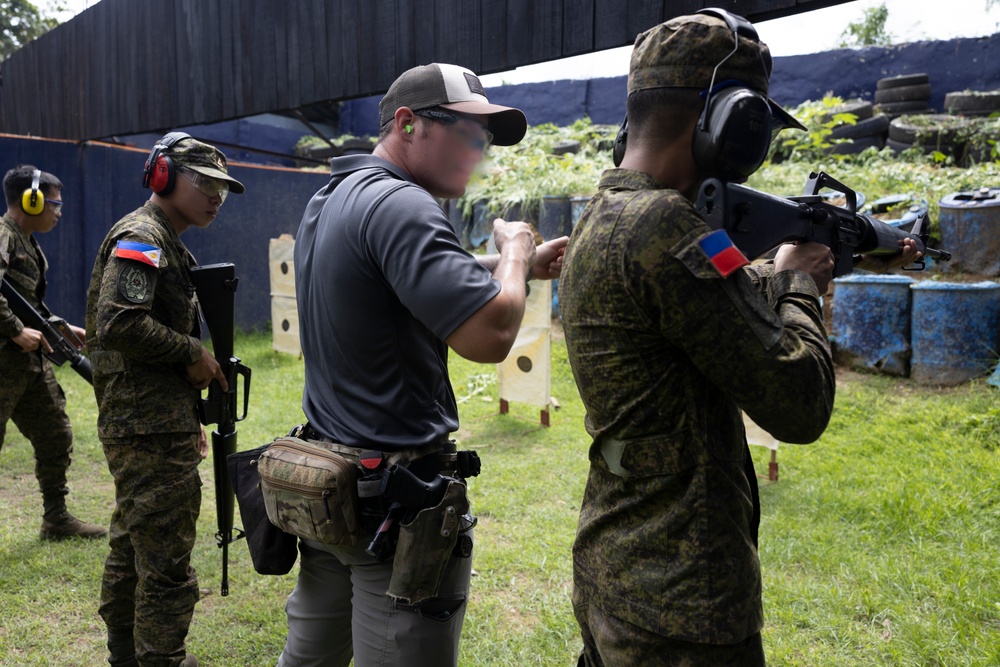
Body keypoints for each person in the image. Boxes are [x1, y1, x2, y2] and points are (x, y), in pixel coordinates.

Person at [558, 10, 920, 666]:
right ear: (731, 123)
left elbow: (698, 301)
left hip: (617, 571)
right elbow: (800, 403)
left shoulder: (604, 214)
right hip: (683, 607)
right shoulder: (668, 226)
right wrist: (802, 285)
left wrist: (775, 270)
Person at [277, 63, 567, 667]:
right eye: (465, 133)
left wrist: (516, 265)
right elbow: (489, 334)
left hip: (328, 485)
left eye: (482, 141)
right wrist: (512, 253)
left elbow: (400, 271)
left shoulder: (334, 196)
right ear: (408, 124)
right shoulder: (405, 205)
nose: (477, 151)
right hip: (392, 506)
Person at [86, 133, 244, 667]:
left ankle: (127, 655)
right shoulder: (144, 235)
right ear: (163, 176)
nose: (216, 196)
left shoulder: (166, 241)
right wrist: (192, 355)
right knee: (166, 559)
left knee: (136, 543)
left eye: (223, 187)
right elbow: (119, 322)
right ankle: (161, 660)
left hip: (153, 418)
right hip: (145, 424)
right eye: (205, 182)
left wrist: (185, 408)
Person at [0, 165, 107, 541]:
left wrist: (55, 324)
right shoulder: (4, 235)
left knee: (55, 435)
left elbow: (24, 300)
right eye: (54, 204)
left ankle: (56, 519)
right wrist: (15, 331)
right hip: (4, 360)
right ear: (31, 200)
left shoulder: (25, 239)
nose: (59, 212)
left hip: (28, 363)